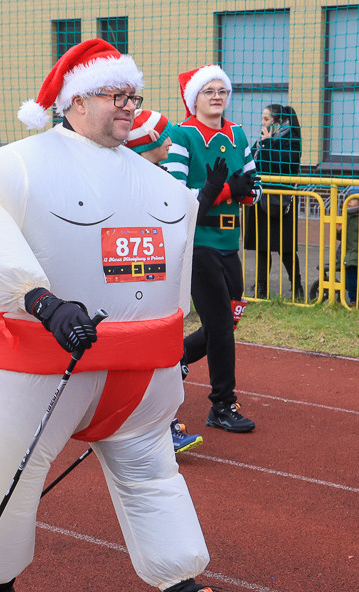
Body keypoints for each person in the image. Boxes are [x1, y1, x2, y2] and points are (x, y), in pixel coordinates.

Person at [0, 39, 258, 592]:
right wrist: (40, 301)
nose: (130, 106)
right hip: (35, 366)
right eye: (117, 95)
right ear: (75, 101)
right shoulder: (11, 167)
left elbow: (173, 271)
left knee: (152, 474)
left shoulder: (157, 182)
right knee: (8, 473)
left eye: (133, 95)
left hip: (136, 374)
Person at [166, 64, 261, 433]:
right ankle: (222, 404)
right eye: (209, 90)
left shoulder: (237, 133)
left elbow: (255, 184)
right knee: (220, 323)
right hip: (199, 243)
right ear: (194, 97)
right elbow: (177, 196)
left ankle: (174, 360)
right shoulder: (182, 134)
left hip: (229, 242)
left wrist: (247, 191)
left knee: (227, 321)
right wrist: (225, 191)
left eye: (222, 90)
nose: (217, 96)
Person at [124, 108, 203, 455]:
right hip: (132, 279)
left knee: (160, 352)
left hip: (156, 278)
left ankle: (159, 425)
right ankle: (154, 428)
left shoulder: (160, 179)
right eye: (163, 135)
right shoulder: (131, 181)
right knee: (140, 354)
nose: (170, 140)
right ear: (147, 141)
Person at [245, 103, 303, 300]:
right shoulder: (262, 141)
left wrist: (268, 143)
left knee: (285, 248)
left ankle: (297, 287)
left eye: (266, 119)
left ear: (278, 122)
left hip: (282, 201)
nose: (262, 123)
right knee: (262, 246)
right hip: (262, 198)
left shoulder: (291, 141)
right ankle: (261, 288)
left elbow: (283, 164)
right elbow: (254, 163)